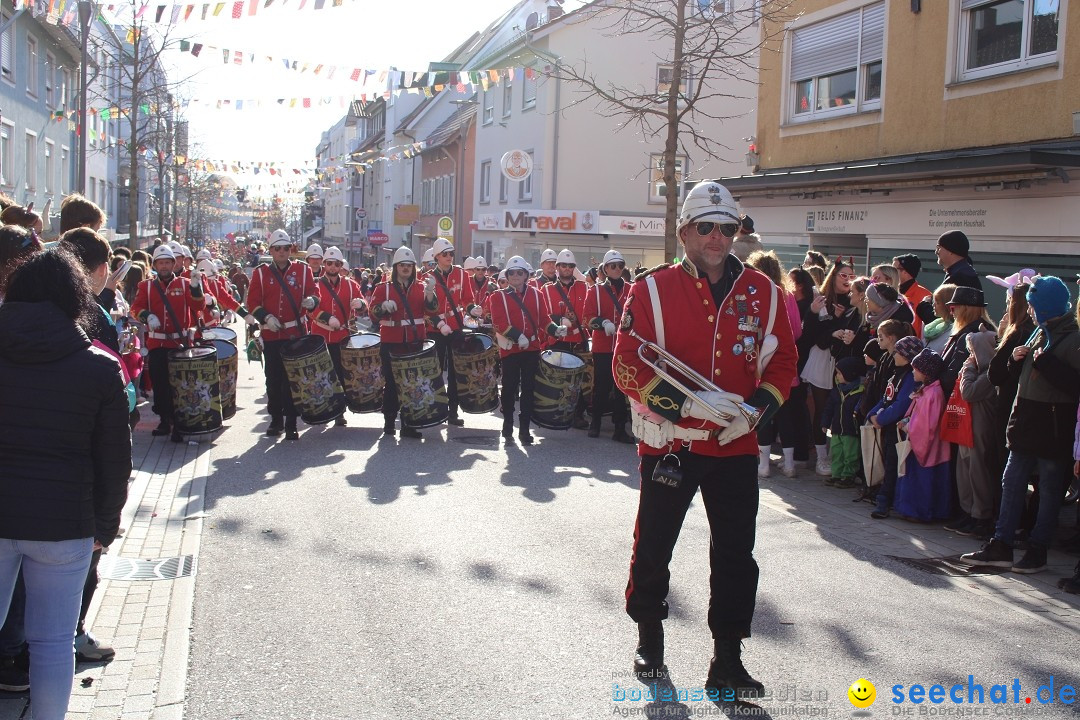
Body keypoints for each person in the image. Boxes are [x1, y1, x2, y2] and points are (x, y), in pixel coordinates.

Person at [614, 181, 797, 699]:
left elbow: (783, 362)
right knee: (654, 544)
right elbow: (626, 364)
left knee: (737, 553)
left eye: (728, 227)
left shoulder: (765, 292)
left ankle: (728, 657)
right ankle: (650, 635)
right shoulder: (650, 288)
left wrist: (757, 411)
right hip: (672, 443)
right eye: (706, 226)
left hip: (736, 446)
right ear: (684, 232)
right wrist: (687, 407)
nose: (717, 237)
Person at [0, 248, 131, 720]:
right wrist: (105, 525)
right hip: (65, 521)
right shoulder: (97, 365)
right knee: (53, 642)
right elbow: (115, 458)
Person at [962, 277, 1080, 573]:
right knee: (1011, 482)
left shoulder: (1074, 337)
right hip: (1025, 420)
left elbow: (1076, 385)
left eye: (1033, 304)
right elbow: (1009, 375)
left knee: (1050, 490)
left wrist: (1047, 365)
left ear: (1045, 305)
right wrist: (1015, 360)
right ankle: (1001, 544)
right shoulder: (1038, 332)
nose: (1028, 309)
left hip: (1055, 424)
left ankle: (1038, 550)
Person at [246, 229, 320, 441]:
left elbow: (315, 294)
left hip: (295, 334)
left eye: (286, 248)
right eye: (277, 248)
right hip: (271, 335)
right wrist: (266, 317)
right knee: (273, 379)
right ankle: (276, 419)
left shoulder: (303, 270)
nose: (281, 252)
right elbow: (252, 303)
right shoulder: (261, 273)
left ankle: (291, 422)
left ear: (291, 249)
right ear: (270, 250)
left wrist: (312, 302)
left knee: (293, 380)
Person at [130, 245, 207, 442]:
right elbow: (135, 308)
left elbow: (198, 307)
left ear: (173, 264)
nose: (164, 266)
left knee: (179, 386)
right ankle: (165, 420)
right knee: (160, 385)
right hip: (157, 345)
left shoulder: (185, 284)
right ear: (155, 265)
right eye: (160, 263)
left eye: (167, 262)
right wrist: (147, 315)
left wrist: (197, 288)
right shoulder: (145, 286)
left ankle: (179, 423)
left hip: (179, 344)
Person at [369, 246, 437, 439]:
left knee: (412, 384)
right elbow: (372, 313)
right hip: (392, 340)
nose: (406, 268)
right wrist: (382, 307)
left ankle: (409, 423)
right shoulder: (384, 288)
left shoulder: (422, 287)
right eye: (402, 265)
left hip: (414, 341)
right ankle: (389, 421)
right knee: (391, 383)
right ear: (396, 267)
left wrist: (431, 292)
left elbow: (432, 310)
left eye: (409, 265)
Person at [746, 250, 802, 478]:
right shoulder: (787, 295)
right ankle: (789, 464)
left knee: (763, 411)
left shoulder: (753, 293)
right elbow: (797, 330)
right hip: (786, 363)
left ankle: (764, 464)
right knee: (785, 414)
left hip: (759, 362)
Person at [948, 329, 1000, 539]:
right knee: (964, 471)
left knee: (978, 472)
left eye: (972, 351)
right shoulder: (974, 370)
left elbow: (969, 391)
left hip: (980, 430)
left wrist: (968, 367)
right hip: (966, 426)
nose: (969, 356)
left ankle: (981, 515)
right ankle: (968, 511)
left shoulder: (989, 374)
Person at [489, 255, 547, 445]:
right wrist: (516, 335)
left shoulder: (537, 294)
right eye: (511, 272)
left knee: (529, 389)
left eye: (519, 272)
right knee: (509, 388)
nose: (515, 275)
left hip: (531, 348)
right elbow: (498, 322)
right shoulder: (498, 296)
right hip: (510, 349)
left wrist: (557, 329)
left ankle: (524, 428)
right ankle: (507, 423)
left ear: (526, 275)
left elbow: (544, 320)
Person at [868, 335, 923, 519]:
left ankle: (884, 502)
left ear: (907, 356)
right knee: (888, 463)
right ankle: (884, 497)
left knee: (894, 466)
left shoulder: (910, 377)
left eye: (898, 352)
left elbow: (900, 405)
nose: (894, 355)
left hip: (899, 430)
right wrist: (872, 414)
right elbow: (886, 399)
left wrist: (881, 418)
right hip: (888, 427)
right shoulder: (895, 374)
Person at [893, 348, 951, 522]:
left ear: (925, 373)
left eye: (915, 369)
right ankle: (913, 510)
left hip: (927, 447)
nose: (912, 371)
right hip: (924, 444)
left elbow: (928, 426)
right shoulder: (928, 390)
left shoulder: (933, 394)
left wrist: (909, 427)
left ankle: (920, 511)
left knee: (923, 481)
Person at [311, 246, 365, 427]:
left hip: (342, 336)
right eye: (329, 263)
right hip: (320, 336)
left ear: (341, 265)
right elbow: (310, 309)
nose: (332, 267)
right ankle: (324, 408)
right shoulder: (316, 285)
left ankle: (339, 411)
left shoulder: (351, 285)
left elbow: (364, 304)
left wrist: (361, 303)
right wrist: (326, 318)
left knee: (342, 375)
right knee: (323, 375)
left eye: (336, 264)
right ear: (324, 264)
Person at [584, 250, 635, 444]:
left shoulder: (632, 289)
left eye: (620, 265)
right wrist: (603, 323)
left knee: (622, 387)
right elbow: (587, 318)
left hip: (623, 347)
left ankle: (620, 428)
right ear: (605, 269)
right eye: (613, 266)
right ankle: (595, 422)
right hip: (603, 346)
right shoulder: (595, 290)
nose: (617, 269)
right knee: (601, 386)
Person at [541, 249, 591, 429]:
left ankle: (577, 414)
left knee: (580, 381)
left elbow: (589, 312)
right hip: (558, 340)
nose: (567, 268)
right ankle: (556, 412)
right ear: (557, 267)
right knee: (559, 380)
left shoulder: (583, 287)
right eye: (563, 265)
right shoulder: (546, 289)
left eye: (570, 266)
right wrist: (558, 319)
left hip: (579, 339)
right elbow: (543, 315)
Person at [426, 237, 468, 426]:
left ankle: (453, 411)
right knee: (434, 370)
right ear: (437, 257)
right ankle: (434, 408)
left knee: (455, 371)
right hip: (435, 329)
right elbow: (425, 309)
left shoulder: (461, 274)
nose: (449, 257)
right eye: (445, 254)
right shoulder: (428, 278)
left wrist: (474, 309)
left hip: (456, 327)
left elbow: (468, 299)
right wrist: (439, 324)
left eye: (451, 253)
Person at [821, 357, 866, 488]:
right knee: (837, 453)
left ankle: (848, 475)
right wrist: (825, 422)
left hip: (851, 430)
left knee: (850, 454)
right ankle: (836, 474)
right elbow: (829, 408)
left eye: (840, 373)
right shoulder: (836, 391)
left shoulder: (859, 392)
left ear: (849, 374)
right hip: (836, 429)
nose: (837, 376)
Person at [892, 254, 932, 336]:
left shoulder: (925, 296)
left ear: (905, 272)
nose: (891, 273)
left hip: (913, 345)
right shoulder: (891, 292)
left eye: (894, 269)